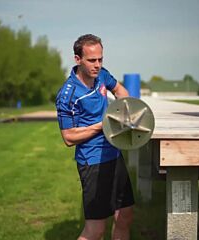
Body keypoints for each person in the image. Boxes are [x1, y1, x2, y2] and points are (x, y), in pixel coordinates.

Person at [55, 34, 134, 240]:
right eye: (92, 60)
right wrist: (104, 125)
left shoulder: (102, 75)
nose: (97, 65)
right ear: (77, 59)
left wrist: (124, 111)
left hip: (115, 155)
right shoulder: (68, 94)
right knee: (96, 230)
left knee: (125, 216)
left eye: (100, 59)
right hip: (92, 163)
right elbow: (68, 137)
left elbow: (119, 90)